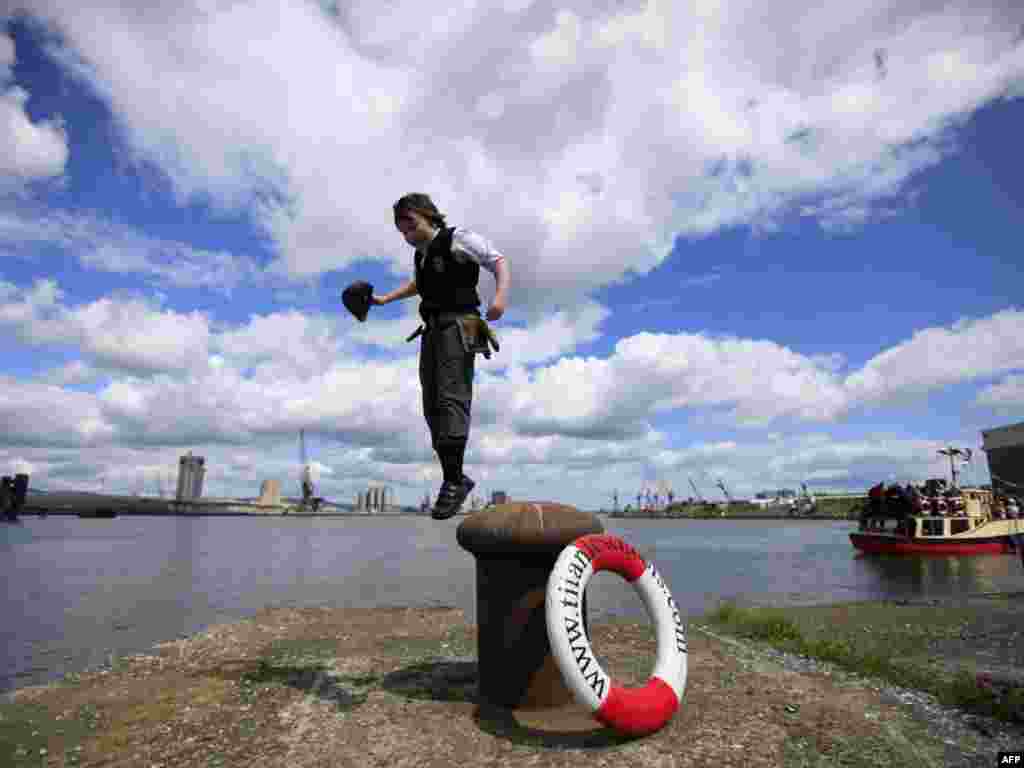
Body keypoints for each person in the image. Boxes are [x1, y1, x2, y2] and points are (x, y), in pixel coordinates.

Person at [372, 194, 511, 520]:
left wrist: (500, 298)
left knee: (452, 400)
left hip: (461, 325)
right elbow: (419, 285)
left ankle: (452, 481)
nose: (407, 235)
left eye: (411, 225)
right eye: (401, 231)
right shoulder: (422, 257)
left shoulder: (458, 238)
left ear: (428, 216)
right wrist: (384, 300)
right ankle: (456, 478)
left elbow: (497, 260)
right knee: (432, 407)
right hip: (432, 331)